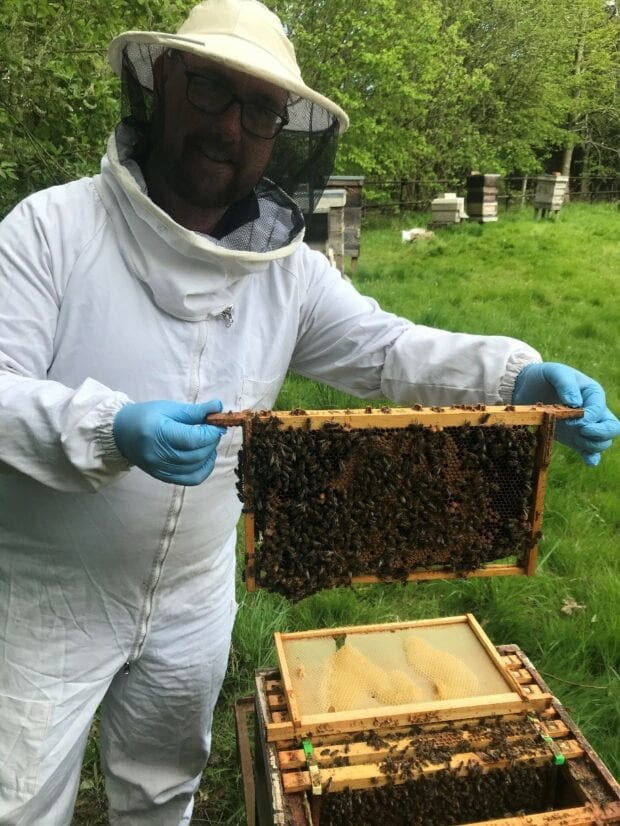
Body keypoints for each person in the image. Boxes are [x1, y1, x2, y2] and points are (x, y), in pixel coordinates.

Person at [0, 1, 617, 823]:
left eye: (259, 111)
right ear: (158, 85)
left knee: (161, 783)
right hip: (47, 591)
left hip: (194, 590)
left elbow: (389, 350)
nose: (231, 128)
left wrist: (519, 378)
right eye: (212, 92)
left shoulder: (287, 274)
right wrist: (108, 427)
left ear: (283, 135)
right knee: (17, 792)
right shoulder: (50, 230)